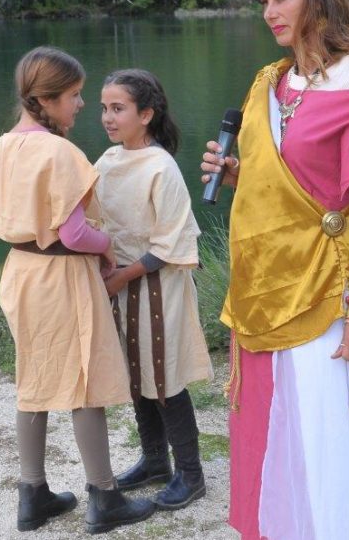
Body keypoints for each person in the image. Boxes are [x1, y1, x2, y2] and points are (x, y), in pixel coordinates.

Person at [200, 0, 349, 539]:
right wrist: (239, 175)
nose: (269, 11)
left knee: (320, 432)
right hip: (264, 287)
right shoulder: (272, 83)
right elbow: (290, 185)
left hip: (324, 291)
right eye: (263, 0)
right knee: (274, 425)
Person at [0, 46, 155, 534]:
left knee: (33, 379)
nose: (81, 104)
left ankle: (32, 494)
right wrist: (107, 246)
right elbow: (74, 234)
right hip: (60, 275)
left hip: (21, 271)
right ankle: (105, 496)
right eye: (74, 95)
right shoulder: (58, 153)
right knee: (83, 380)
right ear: (47, 100)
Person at [93, 69, 214, 510]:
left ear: (146, 114)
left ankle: (191, 474)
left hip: (157, 285)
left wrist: (119, 277)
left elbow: (169, 245)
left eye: (118, 108)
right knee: (135, 374)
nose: (107, 117)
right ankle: (155, 461)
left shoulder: (161, 167)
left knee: (164, 378)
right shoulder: (107, 161)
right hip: (121, 285)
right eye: (104, 108)